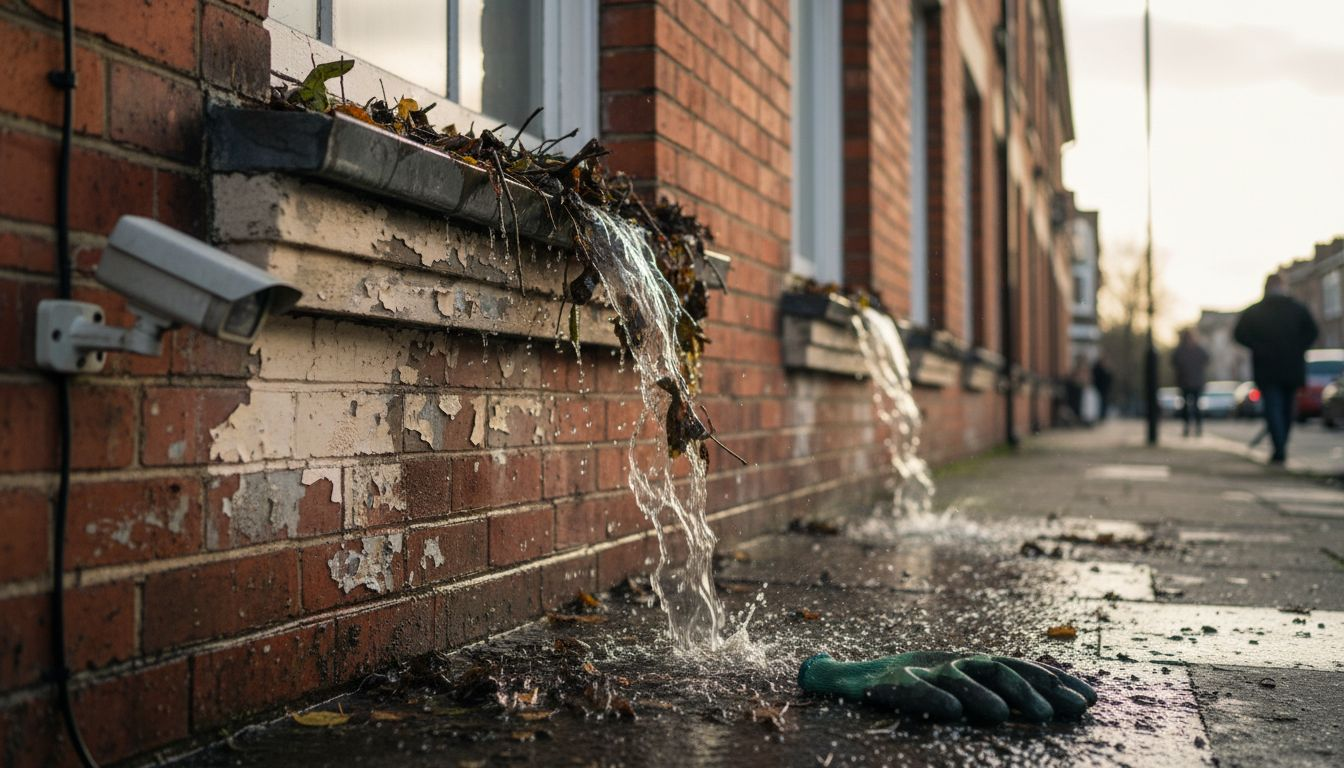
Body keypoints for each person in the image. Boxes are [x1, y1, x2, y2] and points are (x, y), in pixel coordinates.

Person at [1234, 274, 1319, 464]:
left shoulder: (1255, 311)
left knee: (1273, 408)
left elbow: (1239, 334)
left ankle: (1279, 447)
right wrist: (1298, 347)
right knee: (1287, 409)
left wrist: (1257, 346)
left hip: (1267, 367)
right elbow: (1313, 332)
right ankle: (1281, 446)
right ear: (1283, 286)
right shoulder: (1297, 309)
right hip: (1291, 367)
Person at [1171, 328, 1209, 437]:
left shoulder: (1191, 350)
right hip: (1187, 383)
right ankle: (1189, 428)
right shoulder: (1186, 350)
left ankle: (1196, 428)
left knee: (1194, 407)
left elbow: (1206, 359)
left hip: (1193, 383)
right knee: (1187, 407)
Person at [1091, 356, 1114, 421]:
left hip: (1105, 392)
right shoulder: (1098, 370)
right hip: (1098, 391)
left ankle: (1102, 417)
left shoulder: (1107, 371)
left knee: (1104, 405)